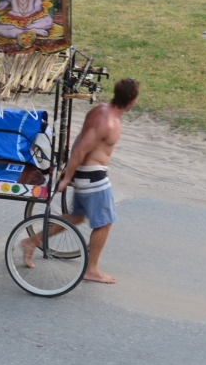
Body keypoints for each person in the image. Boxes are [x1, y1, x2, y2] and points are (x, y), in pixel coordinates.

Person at [22, 78, 139, 284]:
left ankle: (32, 242)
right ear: (132, 101)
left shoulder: (100, 110)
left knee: (76, 216)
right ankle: (92, 269)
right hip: (93, 176)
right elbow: (80, 149)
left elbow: (80, 143)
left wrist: (70, 171)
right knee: (105, 222)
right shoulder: (107, 122)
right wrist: (67, 177)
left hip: (86, 172)